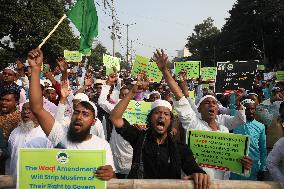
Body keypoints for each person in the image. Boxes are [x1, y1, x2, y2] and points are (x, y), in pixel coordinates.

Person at [152, 49, 252, 180]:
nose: (211, 105)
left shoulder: (225, 131)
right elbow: (181, 98)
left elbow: (232, 164)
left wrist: (245, 164)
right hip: (194, 183)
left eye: (214, 103)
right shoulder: (194, 124)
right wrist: (165, 71)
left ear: (218, 109)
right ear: (198, 110)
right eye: (207, 103)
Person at [27, 48, 114, 181]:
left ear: (93, 121)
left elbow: (110, 177)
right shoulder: (59, 134)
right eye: (77, 112)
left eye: (85, 114)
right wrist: (36, 69)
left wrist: (109, 174)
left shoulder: (102, 146)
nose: (79, 117)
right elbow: (37, 108)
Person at [110, 76, 210, 188]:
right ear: (150, 117)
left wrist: (199, 174)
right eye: (157, 113)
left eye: (166, 114)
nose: (162, 116)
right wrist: (133, 91)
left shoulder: (180, 148)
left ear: (171, 120)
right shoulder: (139, 138)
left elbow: (193, 168)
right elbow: (115, 118)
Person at [6, 102, 53, 177]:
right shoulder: (15, 132)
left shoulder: (45, 135)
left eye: (30, 109)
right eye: (24, 109)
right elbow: (9, 158)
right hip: (14, 182)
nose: (25, 112)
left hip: (36, 183)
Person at [230, 99, 267, 180]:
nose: (250, 111)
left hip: (254, 165)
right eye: (247, 109)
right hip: (236, 163)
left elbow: (262, 149)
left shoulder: (261, 126)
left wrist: (262, 168)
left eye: (252, 109)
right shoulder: (234, 123)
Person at [0, 88, 22, 174]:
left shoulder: (21, 119)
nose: (3, 103)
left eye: (8, 100)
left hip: (12, 161)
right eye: (2, 100)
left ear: (16, 102)